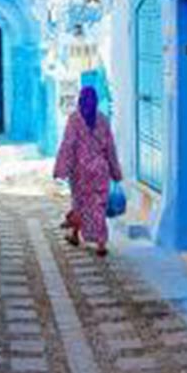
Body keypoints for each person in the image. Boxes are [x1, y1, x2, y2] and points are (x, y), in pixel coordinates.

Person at [52, 85, 123, 256]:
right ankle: (100, 244)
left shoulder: (74, 119)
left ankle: (75, 234)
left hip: (80, 171)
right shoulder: (103, 120)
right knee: (98, 206)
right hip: (100, 170)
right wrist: (115, 172)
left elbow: (68, 146)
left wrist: (60, 169)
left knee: (80, 204)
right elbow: (110, 148)